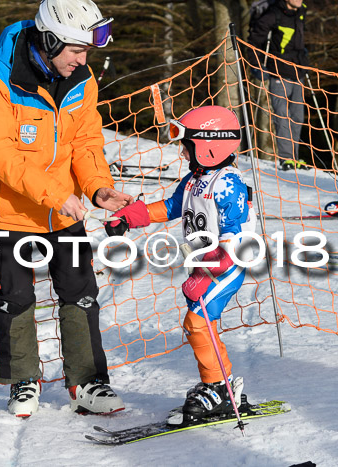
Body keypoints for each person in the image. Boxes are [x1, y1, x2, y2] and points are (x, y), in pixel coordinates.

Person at [0, 0, 133, 418]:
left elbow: (86, 143)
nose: (82, 61)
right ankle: (23, 379)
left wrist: (98, 189)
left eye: (86, 52)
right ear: (50, 40)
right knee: (17, 294)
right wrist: (54, 194)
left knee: (80, 289)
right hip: (7, 207)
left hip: (64, 208)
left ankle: (89, 380)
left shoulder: (83, 78)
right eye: (76, 50)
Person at [104, 105, 253, 424]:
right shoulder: (196, 178)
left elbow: (234, 237)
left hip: (227, 265)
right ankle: (224, 386)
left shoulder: (228, 184)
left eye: (188, 147)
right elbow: (173, 206)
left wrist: (210, 271)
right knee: (204, 322)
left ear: (209, 147)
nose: (184, 154)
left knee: (196, 322)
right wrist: (131, 217)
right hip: (203, 263)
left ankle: (217, 388)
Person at [248, 0, 309, 170]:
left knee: (297, 116)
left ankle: (295, 158)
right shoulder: (272, 15)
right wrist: (256, 66)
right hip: (278, 72)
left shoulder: (301, 11)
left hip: (299, 71)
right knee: (282, 114)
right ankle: (286, 157)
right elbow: (253, 42)